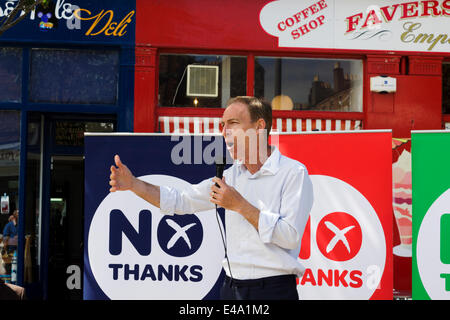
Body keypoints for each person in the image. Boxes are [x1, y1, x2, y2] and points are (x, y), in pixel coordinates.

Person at [109, 96, 314, 300]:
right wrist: (134, 185)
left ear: (260, 126)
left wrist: (240, 205)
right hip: (231, 289)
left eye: (233, 123)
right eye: (222, 125)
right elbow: (180, 201)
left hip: (273, 290)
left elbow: (290, 237)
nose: (224, 132)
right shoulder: (231, 176)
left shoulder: (292, 173)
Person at [2, 210, 18, 275]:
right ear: (14, 216)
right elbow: (5, 238)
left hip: (20, 249)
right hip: (11, 250)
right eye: (18, 213)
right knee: (10, 268)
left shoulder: (20, 224)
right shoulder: (9, 225)